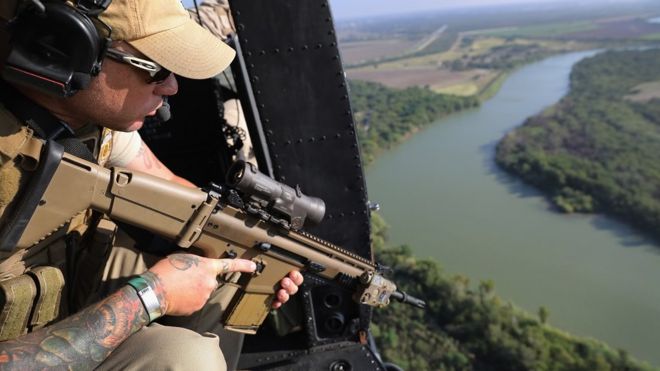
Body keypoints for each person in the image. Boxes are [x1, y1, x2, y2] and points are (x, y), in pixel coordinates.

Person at [0, 0, 303, 369]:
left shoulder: (82, 114)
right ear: (64, 48)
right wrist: (150, 296)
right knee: (187, 360)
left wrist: (253, 245)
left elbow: (174, 192)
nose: (172, 87)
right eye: (155, 69)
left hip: (51, 280)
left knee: (226, 276)